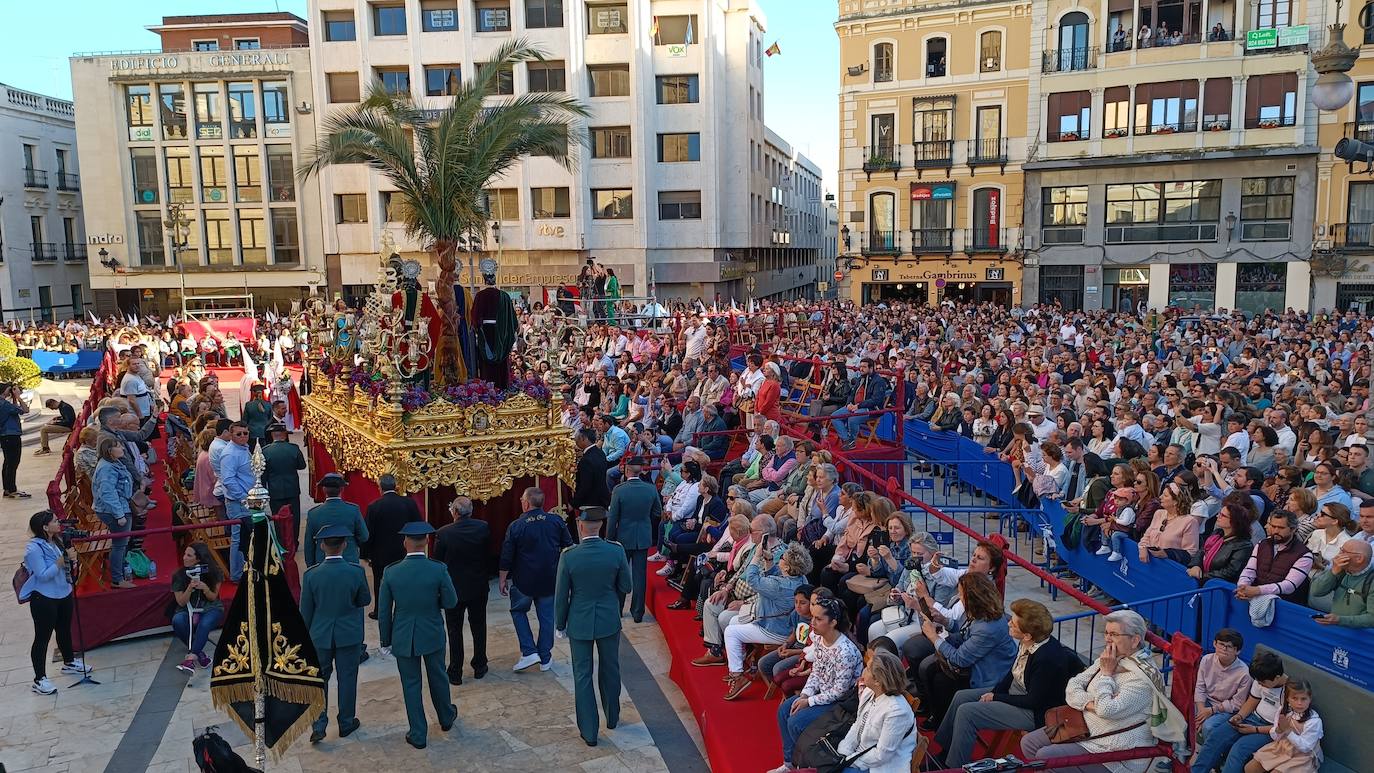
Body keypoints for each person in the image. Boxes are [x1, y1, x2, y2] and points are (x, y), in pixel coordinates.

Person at [936, 599, 1086, 767]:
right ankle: (946, 750)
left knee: (967, 713)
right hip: (1018, 691)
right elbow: (1013, 673)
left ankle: (953, 767)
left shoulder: (1047, 659)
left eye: (1013, 623)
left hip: (1034, 711)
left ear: (1028, 635)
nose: (1008, 623)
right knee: (960, 697)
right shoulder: (1028, 642)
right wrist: (995, 692)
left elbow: (1033, 701)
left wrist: (996, 697)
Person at [1021, 610, 1161, 772]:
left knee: (1047, 756)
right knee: (1029, 743)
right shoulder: (1111, 657)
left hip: (1113, 750)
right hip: (1083, 728)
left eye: (1114, 634)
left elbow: (1106, 709)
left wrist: (1106, 674)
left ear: (1135, 640)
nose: (1108, 638)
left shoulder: (1141, 677)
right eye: (1106, 633)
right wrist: (1091, 704)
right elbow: (1073, 686)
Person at [554, 506, 632, 747]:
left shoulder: (569, 555)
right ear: (601, 527)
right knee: (610, 669)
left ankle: (589, 732)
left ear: (580, 526)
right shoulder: (615, 551)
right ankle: (612, 717)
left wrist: (560, 623)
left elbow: (561, 595)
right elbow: (627, 586)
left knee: (582, 676)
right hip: (608, 619)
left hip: (579, 621)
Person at [378, 521, 458, 750]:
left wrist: (385, 640)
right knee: (438, 677)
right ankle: (445, 717)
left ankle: (418, 732)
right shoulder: (438, 569)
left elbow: (384, 611)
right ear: (427, 542)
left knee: (411, 684)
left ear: (405, 543)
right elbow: (451, 601)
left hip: (403, 635)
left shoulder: (391, 572)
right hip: (431, 631)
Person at [769, 596, 865, 773]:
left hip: (841, 704)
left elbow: (840, 692)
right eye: (813, 617)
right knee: (784, 711)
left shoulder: (845, 652)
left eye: (818, 619)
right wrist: (805, 694)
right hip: (821, 695)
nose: (812, 622)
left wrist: (808, 702)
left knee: (796, 722)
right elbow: (816, 672)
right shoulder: (820, 640)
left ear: (833, 622)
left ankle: (807, 767)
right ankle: (790, 763)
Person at [911, 573, 1018, 726]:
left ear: (973, 598)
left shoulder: (988, 627)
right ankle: (936, 714)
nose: (959, 597)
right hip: (976, 662)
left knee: (940, 680)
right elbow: (964, 630)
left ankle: (943, 722)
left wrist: (934, 637)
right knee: (928, 669)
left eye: (961, 594)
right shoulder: (979, 612)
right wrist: (944, 621)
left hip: (988, 676)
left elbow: (959, 659)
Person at [300, 525, 370, 744]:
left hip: (320, 635)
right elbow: (364, 600)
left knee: (319, 679)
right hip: (348, 634)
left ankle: (319, 724)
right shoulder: (356, 571)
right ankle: (346, 722)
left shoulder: (311, 575)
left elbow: (306, 611)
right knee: (347, 679)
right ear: (345, 545)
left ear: (322, 546)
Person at [722, 542, 813, 700]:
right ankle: (743, 664)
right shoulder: (800, 577)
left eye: (782, 558)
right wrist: (769, 560)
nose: (780, 559)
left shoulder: (779, 585)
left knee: (730, 632)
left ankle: (738, 676)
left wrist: (757, 557)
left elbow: (752, 579)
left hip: (775, 630)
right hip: (782, 625)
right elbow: (776, 574)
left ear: (787, 567)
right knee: (734, 622)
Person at [500, 486, 573, 672]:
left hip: (524, 580)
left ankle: (529, 651)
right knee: (547, 618)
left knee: (518, 611)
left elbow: (506, 556)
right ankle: (545, 657)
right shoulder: (555, 521)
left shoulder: (516, 525)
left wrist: (502, 579)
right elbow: (569, 546)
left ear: (526, 502)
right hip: (550, 578)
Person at [20, 511, 89, 695]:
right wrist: (60, 561)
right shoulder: (33, 549)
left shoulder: (56, 541)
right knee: (42, 638)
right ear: (44, 527)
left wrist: (71, 561)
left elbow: (64, 567)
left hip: (63, 592)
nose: (59, 523)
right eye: (55, 521)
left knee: (64, 629)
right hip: (44, 598)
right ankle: (39, 679)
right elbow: (42, 575)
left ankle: (69, 661)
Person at [1190, 650, 1288, 773]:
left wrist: (1254, 729)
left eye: (1263, 683)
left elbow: (1282, 728)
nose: (1260, 685)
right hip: (1252, 718)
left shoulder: (1290, 692)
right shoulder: (1261, 679)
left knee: (1239, 749)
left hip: (1269, 730)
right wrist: (1240, 716)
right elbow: (1252, 701)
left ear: (1277, 678)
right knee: (1216, 736)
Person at [433, 496, 491, 685]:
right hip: (478, 587)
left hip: (453, 590)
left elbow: (438, 563)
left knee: (454, 630)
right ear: (471, 511)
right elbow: (488, 555)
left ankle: (455, 670)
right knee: (479, 626)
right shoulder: (483, 527)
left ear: (455, 512)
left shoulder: (443, 533)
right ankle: (480, 665)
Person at [835, 650, 919, 773]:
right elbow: (858, 724)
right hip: (861, 755)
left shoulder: (897, 712)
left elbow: (881, 756)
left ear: (878, 681)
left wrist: (849, 761)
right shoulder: (870, 692)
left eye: (868, 669)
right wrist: (844, 751)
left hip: (879, 767)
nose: (864, 670)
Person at [606, 456, 661, 623]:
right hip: (643, 535)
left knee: (622, 573)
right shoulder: (650, 489)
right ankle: (638, 612)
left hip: (623, 536)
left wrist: (609, 538)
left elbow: (613, 517)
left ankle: (618, 609)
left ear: (627, 470)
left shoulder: (619, 490)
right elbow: (657, 512)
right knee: (640, 575)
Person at [363, 474, 423, 619]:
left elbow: (368, 533)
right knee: (406, 581)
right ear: (396, 486)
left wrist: (366, 554)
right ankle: (406, 609)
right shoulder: (409, 504)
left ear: (380, 488)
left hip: (380, 554)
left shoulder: (374, 506)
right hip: (405, 551)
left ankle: (380, 611)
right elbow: (418, 527)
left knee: (380, 583)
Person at [1194, 629, 1254, 751]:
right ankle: (1179, 753)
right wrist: (1201, 712)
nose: (1224, 649)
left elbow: (1237, 704)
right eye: (1221, 644)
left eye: (1229, 647)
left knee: (1209, 726)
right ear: (1214, 644)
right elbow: (1200, 687)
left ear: (1238, 651)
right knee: (1181, 714)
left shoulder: (1244, 673)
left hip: (1225, 709)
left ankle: (1208, 756)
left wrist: (1211, 710)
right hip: (1205, 702)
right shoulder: (1206, 660)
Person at [1245, 680, 1323, 773]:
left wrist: (1288, 731)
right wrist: (1278, 730)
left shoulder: (1314, 721)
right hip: (1281, 747)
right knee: (1250, 768)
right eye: (1294, 698)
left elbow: (1306, 747)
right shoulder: (1283, 711)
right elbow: (1275, 736)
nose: (1299, 703)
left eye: (1303, 699)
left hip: (1301, 756)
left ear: (1309, 699)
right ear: (1288, 699)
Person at [170, 542, 225, 673]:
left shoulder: (214, 572)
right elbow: (181, 603)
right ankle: (199, 654)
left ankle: (190, 658)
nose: (184, 557)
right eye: (184, 554)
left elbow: (213, 597)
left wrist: (205, 588)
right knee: (177, 620)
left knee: (205, 624)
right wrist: (189, 588)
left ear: (199, 559)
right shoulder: (178, 575)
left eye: (189, 555)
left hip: (211, 607)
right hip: (187, 608)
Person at [92, 437, 136, 588]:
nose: (122, 449)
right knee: (119, 545)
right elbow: (107, 493)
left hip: (120, 506)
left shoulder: (114, 463)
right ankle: (118, 579)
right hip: (114, 511)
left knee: (122, 544)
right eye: (119, 446)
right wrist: (119, 514)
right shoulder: (107, 468)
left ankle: (122, 570)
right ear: (110, 451)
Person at [303, 473, 369, 568]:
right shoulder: (353, 510)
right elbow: (364, 536)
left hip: (322, 563)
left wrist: (311, 567)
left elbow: (309, 545)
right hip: (349, 561)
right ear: (342, 489)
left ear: (324, 490)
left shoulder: (313, 514)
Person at [1308, 539, 1374, 627]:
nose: (1337, 555)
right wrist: (1333, 572)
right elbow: (1316, 591)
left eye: (1343, 551)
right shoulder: (1340, 569)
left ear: (1359, 559)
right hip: (1337, 630)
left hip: (1360, 637)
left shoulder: (1371, 580)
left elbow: (1372, 619)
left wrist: (1340, 620)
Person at [219, 422, 255, 582]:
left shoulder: (243, 448)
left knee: (244, 536)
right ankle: (237, 574)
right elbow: (228, 479)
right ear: (231, 434)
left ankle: (244, 568)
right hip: (239, 503)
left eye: (245, 433)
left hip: (247, 499)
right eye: (239, 434)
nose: (243, 436)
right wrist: (243, 498)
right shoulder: (230, 454)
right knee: (238, 538)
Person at [261, 422, 306, 547]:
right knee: (294, 517)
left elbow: (263, 474)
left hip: (275, 490)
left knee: (278, 517)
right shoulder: (293, 448)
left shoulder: (265, 451)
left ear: (272, 435)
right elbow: (302, 465)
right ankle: (294, 543)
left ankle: (282, 543)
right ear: (284, 435)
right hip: (292, 488)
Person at [1189, 503, 1256, 584]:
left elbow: (1231, 572)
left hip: (1217, 586)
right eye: (1219, 513)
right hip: (1203, 580)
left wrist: (1202, 576)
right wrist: (1196, 566)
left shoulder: (1244, 546)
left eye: (1222, 515)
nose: (1218, 516)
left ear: (1234, 521)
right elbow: (1202, 551)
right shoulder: (1217, 534)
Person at [571, 427, 611, 527]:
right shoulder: (600, 453)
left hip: (591, 502)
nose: (575, 441)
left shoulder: (586, 460)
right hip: (603, 499)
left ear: (584, 438)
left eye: (577, 439)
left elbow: (585, 485)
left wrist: (574, 503)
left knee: (592, 531)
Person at [0, 383, 30, 498]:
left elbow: (14, 410)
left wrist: (13, 398)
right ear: (4, 391)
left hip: (4, 436)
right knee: (13, 463)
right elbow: (25, 409)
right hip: (11, 436)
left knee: (7, 462)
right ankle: (12, 489)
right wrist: (18, 396)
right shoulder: (5, 404)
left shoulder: (3, 404)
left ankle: (7, 489)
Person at [242, 384, 272, 451]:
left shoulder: (248, 405)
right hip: (265, 432)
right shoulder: (268, 404)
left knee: (252, 451)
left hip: (252, 432)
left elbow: (244, 420)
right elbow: (271, 419)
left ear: (253, 393)